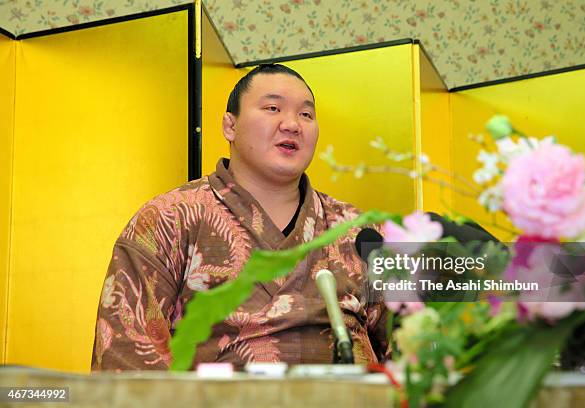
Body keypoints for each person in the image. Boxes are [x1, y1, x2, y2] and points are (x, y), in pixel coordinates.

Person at [91, 64, 388, 370]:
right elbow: (126, 356)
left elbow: (419, 346)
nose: (292, 124)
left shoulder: (363, 230)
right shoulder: (169, 218)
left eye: (306, 114)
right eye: (273, 108)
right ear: (229, 126)